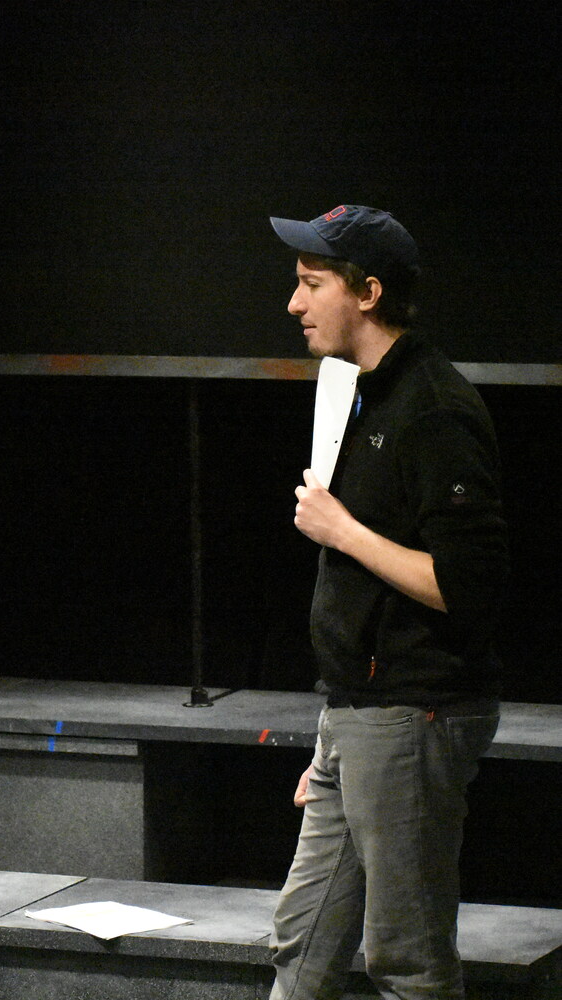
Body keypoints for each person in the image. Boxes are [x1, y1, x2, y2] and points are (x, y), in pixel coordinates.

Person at [265, 206, 508, 999]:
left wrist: (343, 530)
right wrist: (336, 728)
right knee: (300, 949)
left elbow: (465, 587)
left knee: (406, 960)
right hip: (360, 713)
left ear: (368, 292)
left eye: (311, 285)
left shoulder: (435, 407)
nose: (295, 305)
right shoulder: (362, 393)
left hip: (414, 710)